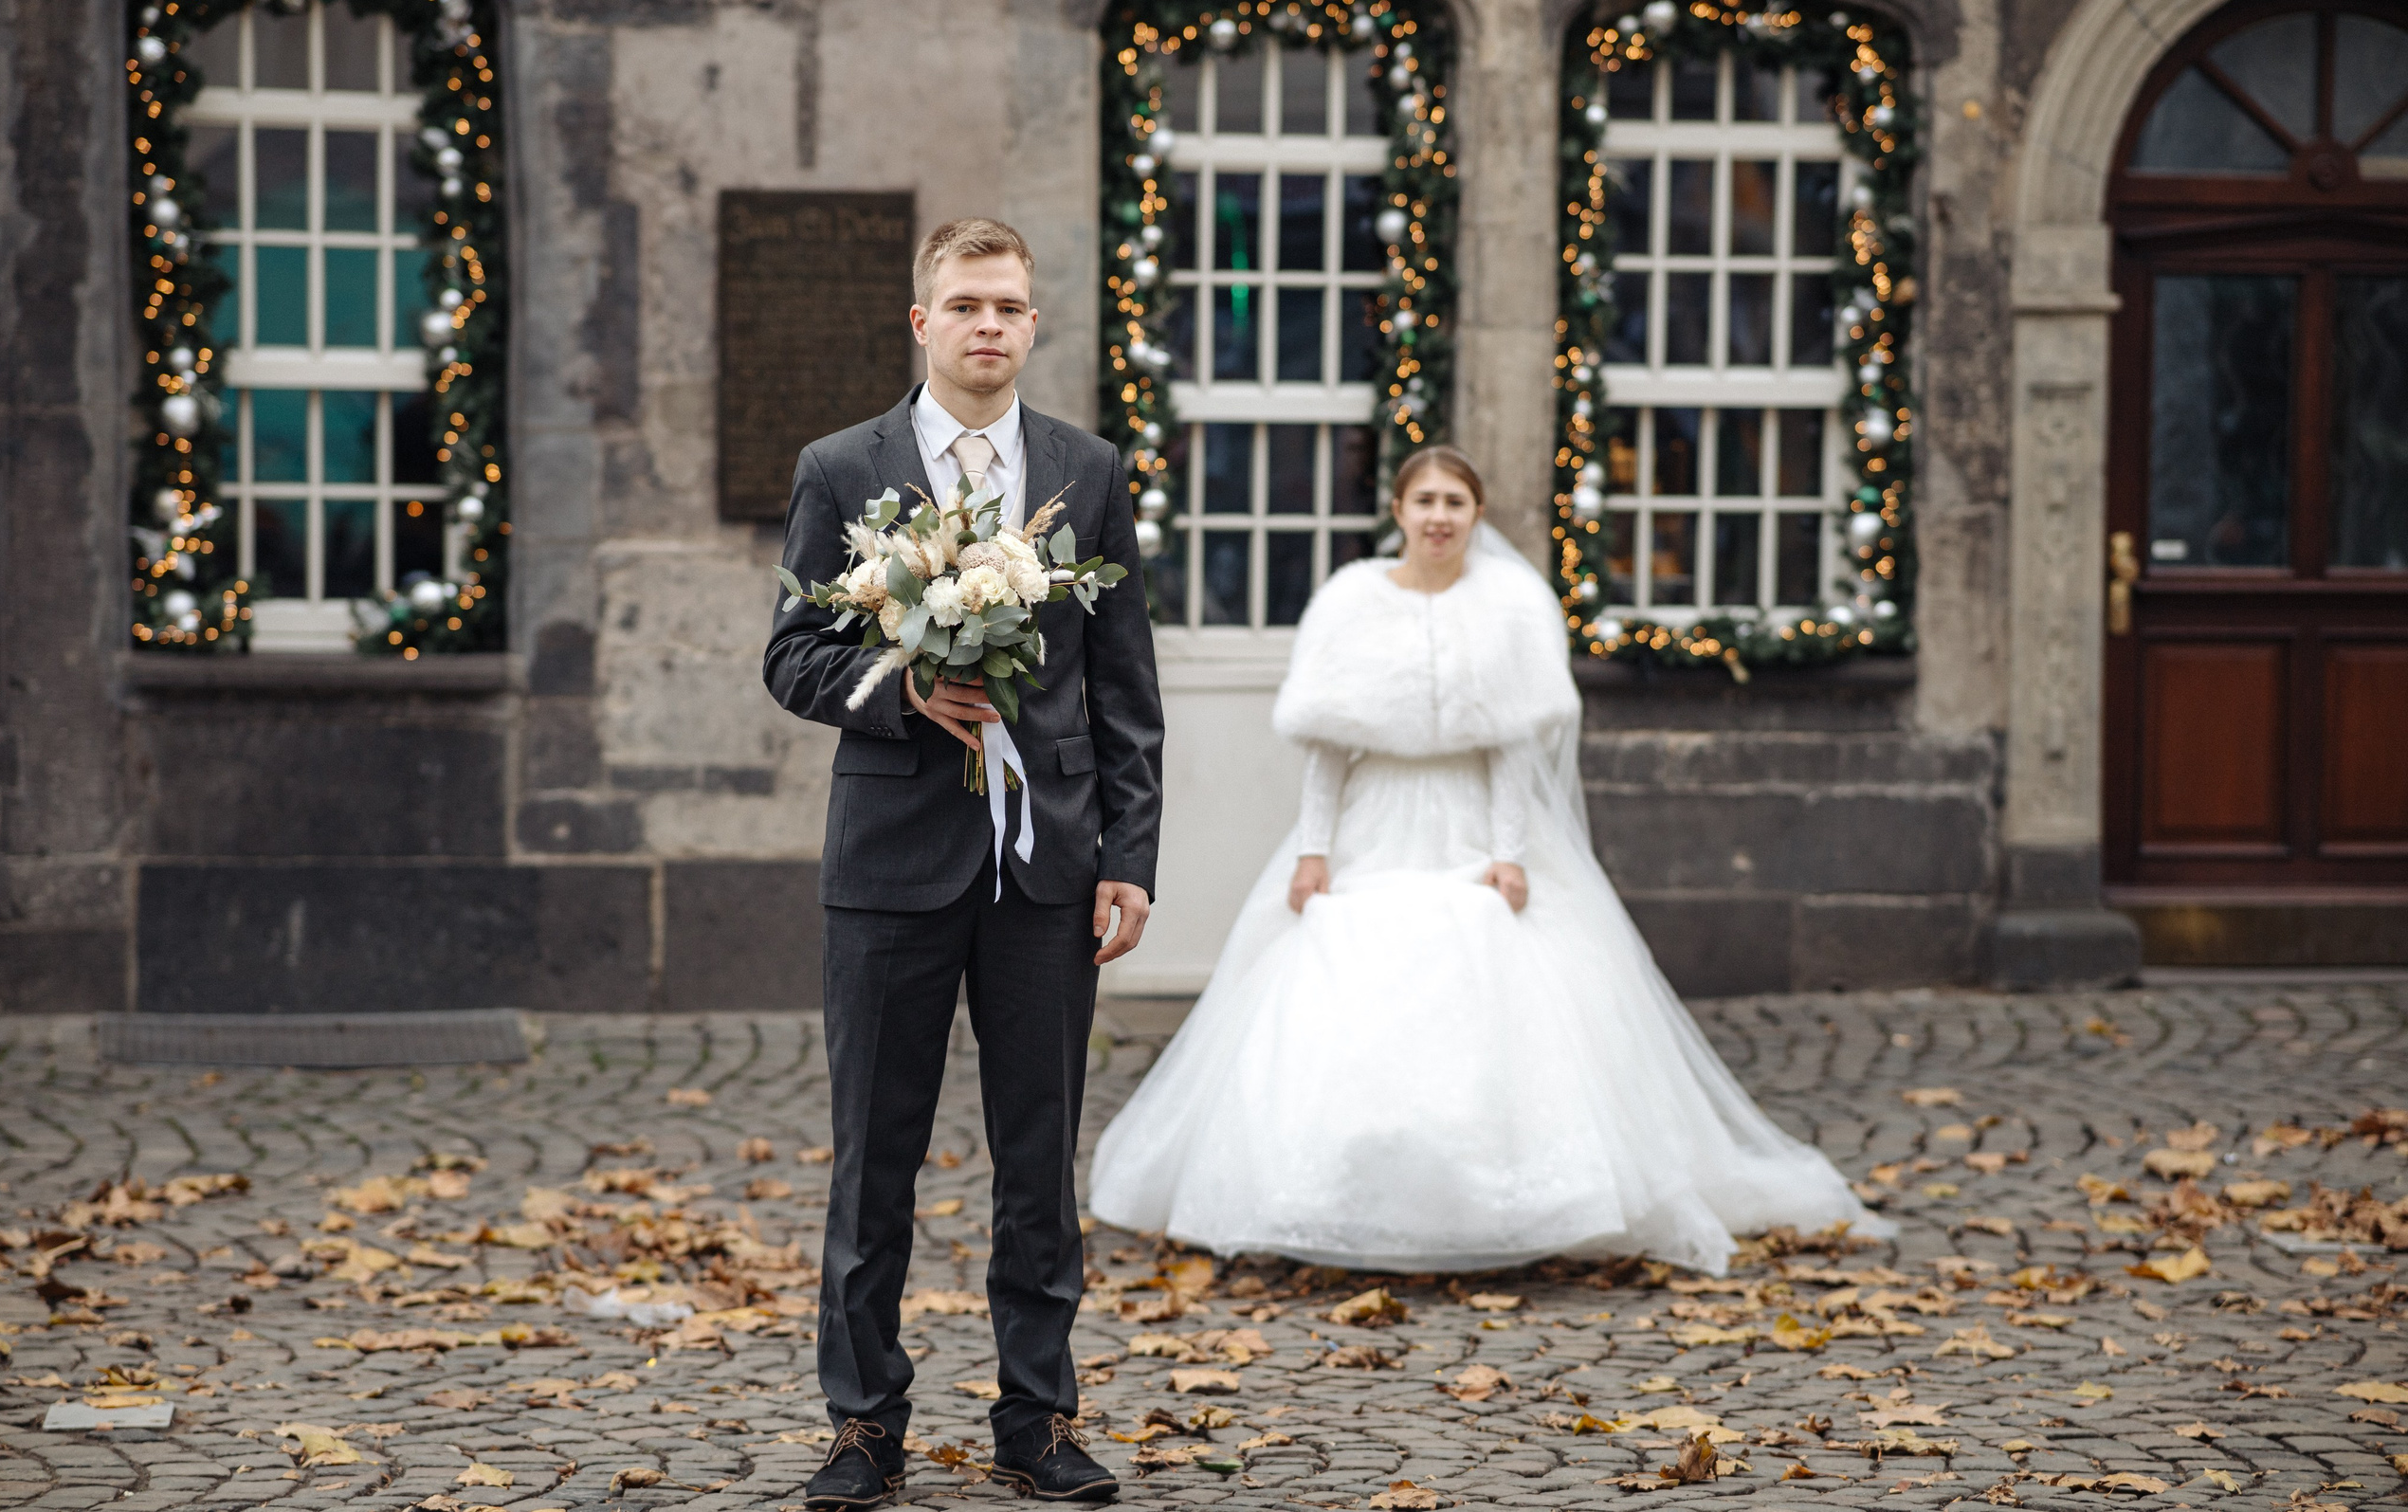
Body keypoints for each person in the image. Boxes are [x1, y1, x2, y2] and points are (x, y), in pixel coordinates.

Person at [1087, 446, 1888, 1276]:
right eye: (1425, 499)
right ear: (1398, 510)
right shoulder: (1350, 601)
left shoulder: (1510, 604)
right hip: (1376, 820)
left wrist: (1509, 854)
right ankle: (1347, 1192)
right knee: (1350, 991)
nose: (1439, 515)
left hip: (1476, 820)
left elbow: (1511, 744)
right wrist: (1314, 850)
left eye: (1456, 502)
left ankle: (1515, 1202)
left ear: (1477, 514)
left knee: (1506, 988)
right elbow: (1326, 746)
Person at [763, 218, 1162, 1507]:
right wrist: (901, 687)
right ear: (921, 323)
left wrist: (1129, 856)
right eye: (964, 304)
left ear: (1032, 324)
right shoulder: (842, 467)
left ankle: (1036, 1414)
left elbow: (1123, 686)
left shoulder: (1086, 470)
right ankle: (863, 1421)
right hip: (889, 871)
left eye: (1008, 305)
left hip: (1044, 873)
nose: (988, 324)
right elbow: (793, 653)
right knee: (872, 1154)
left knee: (1039, 1157)